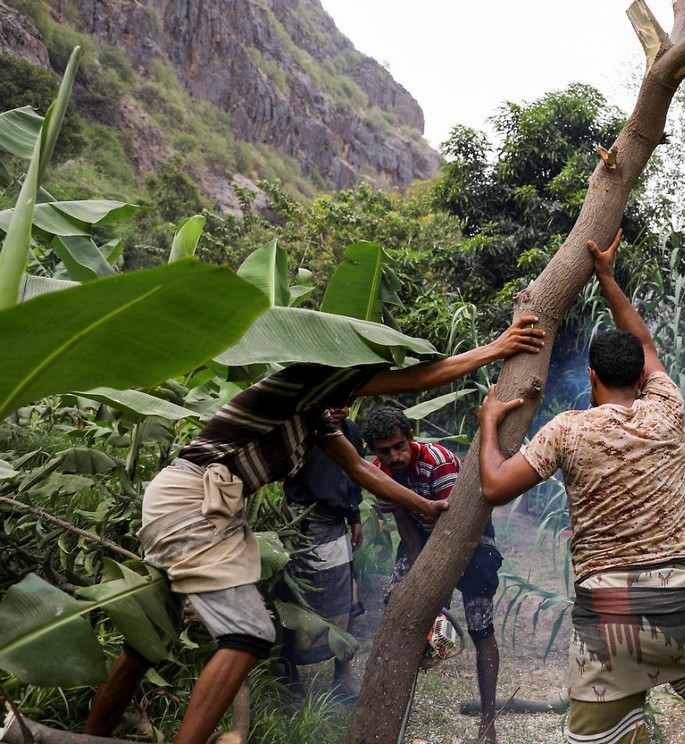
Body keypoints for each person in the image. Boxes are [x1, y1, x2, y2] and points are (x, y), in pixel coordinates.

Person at [83, 316, 544, 744]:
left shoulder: (317, 416)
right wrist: (496, 348)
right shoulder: (307, 378)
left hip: (184, 500)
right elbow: (416, 379)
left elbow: (363, 470)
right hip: (194, 502)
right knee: (249, 633)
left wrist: (426, 504)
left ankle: (91, 734)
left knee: (145, 643)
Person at [477, 233, 685, 744]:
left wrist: (490, 422)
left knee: (596, 732)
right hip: (682, 595)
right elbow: (647, 345)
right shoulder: (666, 408)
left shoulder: (568, 429)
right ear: (642, 377)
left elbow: (494, 487)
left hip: (609, 604)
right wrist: (608, 279)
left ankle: (625, 733)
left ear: (591, 377)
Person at [360, 406, 505, 744]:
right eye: (385, 451)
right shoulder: (378, 473)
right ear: (374, 451)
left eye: (399, 446)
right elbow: (404, 522)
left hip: (470, 538)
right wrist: (420, 578)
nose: (394, 456)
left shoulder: (437, 462)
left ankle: (488, 722)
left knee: (481, 628)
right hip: (423, 536)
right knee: (399, 606)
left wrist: (439, 586)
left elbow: (455, 528)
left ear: (410, 437)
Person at [277, 406, 365, 699]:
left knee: (347, 598)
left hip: (336, 524)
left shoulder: (351, 431)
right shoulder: (303, 429)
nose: (340, 408)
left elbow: (356, 477)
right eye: (332, 402)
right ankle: (289, 675)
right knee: (298, 597)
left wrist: (355, 518)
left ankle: (343, 674)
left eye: (345, 401)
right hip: (302, 523)